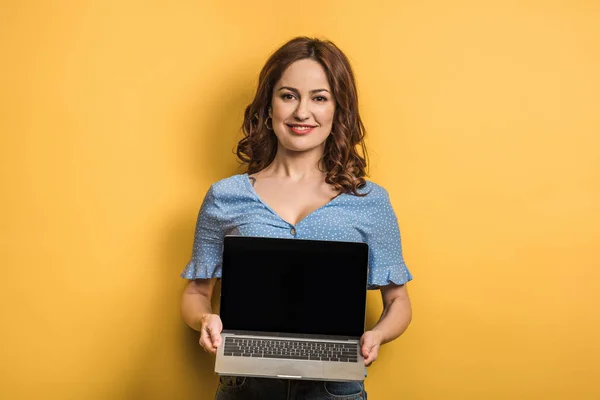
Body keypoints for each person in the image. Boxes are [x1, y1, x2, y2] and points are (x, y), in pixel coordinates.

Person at [180, 36, 413, 400]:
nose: (302, 112)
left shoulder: (370, 201)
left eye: (319, 98)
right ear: (268, 105)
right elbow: (196, 291)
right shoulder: (225, 196)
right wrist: (204, 319)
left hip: (334, 387)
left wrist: (378, 334)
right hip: (245, 384)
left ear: (338, 110)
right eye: (288, 95)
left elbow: (398, 300)